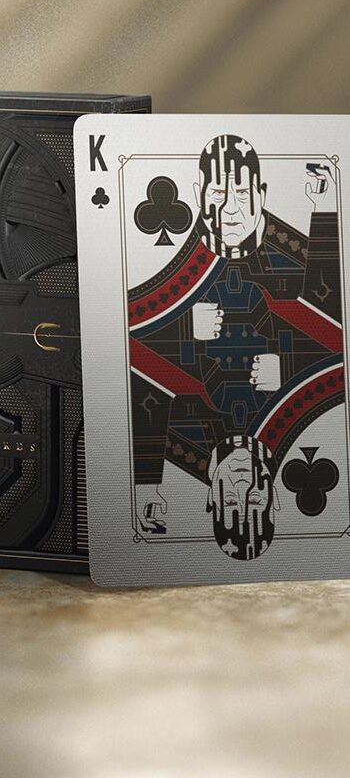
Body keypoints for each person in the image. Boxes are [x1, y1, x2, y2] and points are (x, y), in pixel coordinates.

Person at [129, 134, 343, 559]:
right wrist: (325, 209)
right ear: (274, 498)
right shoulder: (303, 417)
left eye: (231, 500)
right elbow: (336, 340)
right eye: (254, 499)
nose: (243, 487)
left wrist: (145, 485)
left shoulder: (177, 445)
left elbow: (130, 355)